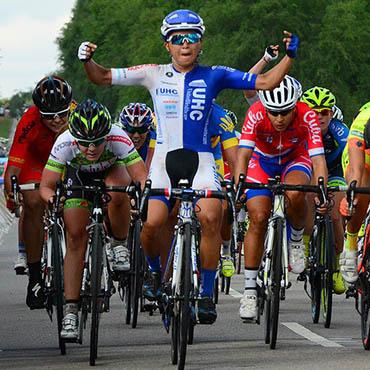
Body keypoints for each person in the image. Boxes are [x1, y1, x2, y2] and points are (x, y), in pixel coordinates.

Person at [77, 8, 299, 324]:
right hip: (165, 163)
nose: (185, 44)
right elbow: (101, 77)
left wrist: (288, 57)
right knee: (151, 223)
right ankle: (154, 273)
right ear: (166, 44)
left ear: (201, 42)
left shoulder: (215, 74)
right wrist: (87, 59)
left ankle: (206, 294)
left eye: (192, 38)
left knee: (211, 217)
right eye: (177, 39)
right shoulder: (152, 73)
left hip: (202, 163)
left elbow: (264, 81)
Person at [40, 99, 147, 339]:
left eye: (97, 142)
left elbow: (141, 178)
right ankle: (71, 310)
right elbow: (46, 186)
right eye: (85, 143)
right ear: (75, 138)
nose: (91, 149)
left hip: (112, 172)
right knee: (76, 237)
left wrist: (140, 198)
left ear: (106, 136)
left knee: (119, 189)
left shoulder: (118, 137)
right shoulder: (64, 142)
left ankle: (119, 244)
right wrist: (52, 201)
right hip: (78, 179)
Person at [235, 75, 328, 321]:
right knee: (257, 218)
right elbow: (242, 156)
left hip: (294, 159)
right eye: (273, 112)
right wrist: (238, 187)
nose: (278, 118)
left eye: (285, 112)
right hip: (261, 162)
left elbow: (318, 160)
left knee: (297, 192)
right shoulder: (255, 113)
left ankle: (296, 240)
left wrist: (322, 191)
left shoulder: (307, 115)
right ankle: (250, 290)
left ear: (295, 106)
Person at [4, 76, 73, 309]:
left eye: (61, 114)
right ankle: (35, 278)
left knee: (75, 203)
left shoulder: (77, 117)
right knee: (33, 202)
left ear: (70, 107)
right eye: (49, 115)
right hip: (36, 164)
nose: (56, 120)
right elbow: (13, 168)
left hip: (66, 162)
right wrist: (12, 195)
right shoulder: (29, 120)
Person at [300, 86, 348, 294]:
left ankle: (337, 267)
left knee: (336, 214)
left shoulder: (339, 130)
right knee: (310, 195)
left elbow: (350, 157)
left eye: (324, 112)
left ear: (331, 113)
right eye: (314, 112)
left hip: (335, 168)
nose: (319, 117)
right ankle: (304, 245)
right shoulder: (300, 128)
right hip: (310, 166)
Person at [339, 104, 370, 287]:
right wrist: (351, 194)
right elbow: (356, 170)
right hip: (362, 156)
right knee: (359, 190)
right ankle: (350, 246)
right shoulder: (362, 121)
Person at [118, 102, 155, 167]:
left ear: (149, 130)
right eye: (131, 130)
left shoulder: (156, 141)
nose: (136, 136)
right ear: (123, 129)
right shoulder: (115, 140)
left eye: (142, 130)